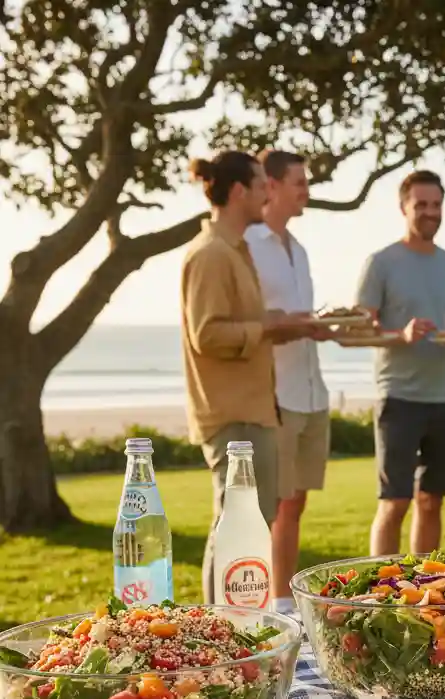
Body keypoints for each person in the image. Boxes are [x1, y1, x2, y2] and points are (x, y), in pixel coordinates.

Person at [180, 151, 316, 604]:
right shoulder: (211, 255)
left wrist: (282, 321)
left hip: (257, 408)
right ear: (239, 191)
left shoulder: (236, 251)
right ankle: (216, 629)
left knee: (258, 520)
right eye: (260, 185)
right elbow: (206, 333)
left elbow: (246, 321)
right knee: (233, 524)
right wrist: (268, 327)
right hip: (230, 412)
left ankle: (242, 622)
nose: (266, 192)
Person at [355, 169, 445, 556]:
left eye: (436, 204)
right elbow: (360, 330)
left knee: (431, 501)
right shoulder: (381, 263)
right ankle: (378, 593)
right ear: (403, 207)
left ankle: (425, 589)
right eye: (421, 204)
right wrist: (400, 335)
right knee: (396, 502)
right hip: (399, 397)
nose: (430, 212)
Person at [245, 150, 331, 616]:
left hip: (310, 389)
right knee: (270, 507)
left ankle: (284, 605)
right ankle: (258, 609)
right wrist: (297, 323)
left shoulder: (297, 248)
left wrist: (318, 325)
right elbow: (252, 319)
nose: (306, 190)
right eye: (299, 182)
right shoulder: (250, 245)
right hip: (274, 394)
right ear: (271, 186)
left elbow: (298, 318)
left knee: (295, 504)